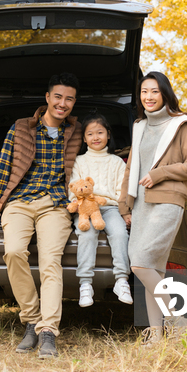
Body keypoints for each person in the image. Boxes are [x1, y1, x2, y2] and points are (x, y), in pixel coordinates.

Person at [0, 73, 82, 359]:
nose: (63, 103)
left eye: (69, 99)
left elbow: (97, 155)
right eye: (58, 97)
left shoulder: (76, 131)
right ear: (47, 98)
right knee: (13, 252)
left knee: (51, 262)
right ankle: (32, 320)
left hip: (55, 204)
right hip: (19, 202)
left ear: (73, 103)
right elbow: (3, 168)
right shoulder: (21, 128)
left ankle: (48, 331)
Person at [118, 71, 187, 346]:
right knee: (151, 269)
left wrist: (161, 173)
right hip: (142, 203)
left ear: (165, 93)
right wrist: (125, 206)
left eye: (154, 91)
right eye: (144, 92)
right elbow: (132, 168)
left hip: (168, 201)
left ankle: (178, 320)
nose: (148, 97)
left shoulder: (182, 124)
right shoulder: (139, 126)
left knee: (140, 262)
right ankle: (155, 336)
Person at [69, 113, 132, 308]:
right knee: (86, 234)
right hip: (84, 208)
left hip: (109, 208)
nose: (95, 137)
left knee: (120, 234)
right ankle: (85, 284)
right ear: (84, 138)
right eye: (90, 134)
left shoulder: (116, 162)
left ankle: (121, 280)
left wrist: (125, 212)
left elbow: (122, 192)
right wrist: (77, 204)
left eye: (100, 132)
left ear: (108, 135)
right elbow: (73, 187)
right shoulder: (79, 161)